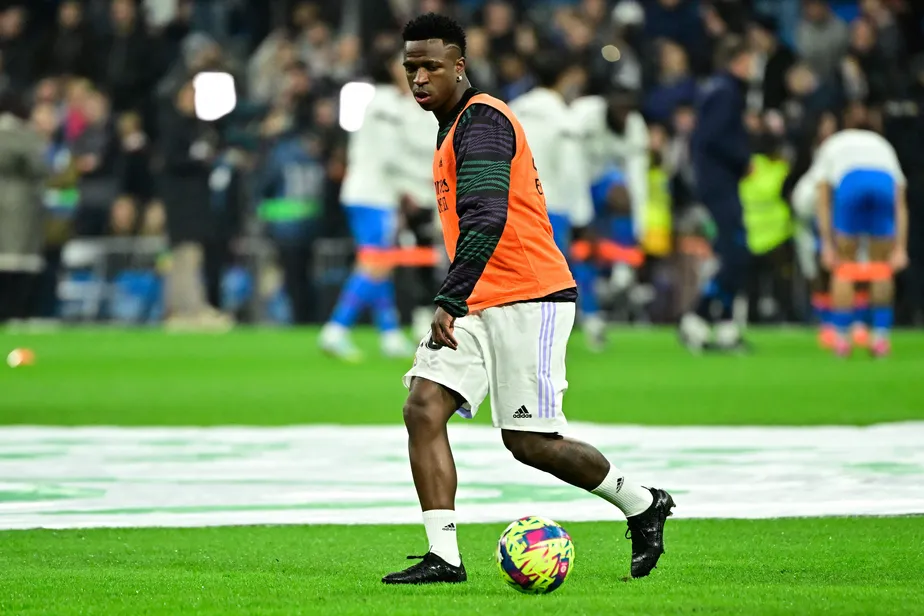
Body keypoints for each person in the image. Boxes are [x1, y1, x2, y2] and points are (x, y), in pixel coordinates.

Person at [383, 13, 675, 586]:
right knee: (422, 407)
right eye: (410, 67)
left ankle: (642, 503)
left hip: (529, 297)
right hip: (480, 299)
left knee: (530, 442)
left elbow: (489, 216)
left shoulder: (482, 120)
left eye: (430, 66)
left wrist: (448, 297)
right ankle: (444, 557)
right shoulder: (451, 125)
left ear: (459, 66)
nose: (418, 78)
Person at [318, 51, 417, 361]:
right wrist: (422, 182)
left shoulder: (387, 103)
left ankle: (389, 333)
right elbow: (390, 158)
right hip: (373, 195)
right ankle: (336, 328)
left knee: (380, 264)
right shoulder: (387, 105)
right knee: (374, 262)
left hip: (369, 193)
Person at [508, 54, 600, 350]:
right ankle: (547, 340)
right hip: (551, 207)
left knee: (519, 274)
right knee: (553, 277)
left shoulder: (515, 109)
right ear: (566, 77)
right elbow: (572, 170)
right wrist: (584, 216)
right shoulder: (564, 118)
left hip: (512, 205)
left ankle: (518, 337)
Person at [814, 105, 908, 357]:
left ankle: (843, 340)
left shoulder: (833, 144)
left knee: (844, 265)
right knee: (880, 266)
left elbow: (823, 198)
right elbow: (900, 203)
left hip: (851, 181)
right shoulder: (882, 144)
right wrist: (900, 247)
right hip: (882, 182)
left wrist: (827, 244)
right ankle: (880, 339)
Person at [679, 36, 754, 353]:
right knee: (737, 252)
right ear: (738, 60)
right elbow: (713, 138)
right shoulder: (727, 93)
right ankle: (696, 317)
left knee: (731, 252)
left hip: (713, 182)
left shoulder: (713, 89)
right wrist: (743, 158)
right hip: (719, 183)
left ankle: (723, 325)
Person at [571, 88, 651, 348]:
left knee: (620, 189)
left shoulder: (635, 126)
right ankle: (591, 315)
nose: (624, 116)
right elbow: (571, 166)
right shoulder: (583, 116)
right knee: (582, 255)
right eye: (619, 109)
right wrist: (581, 215)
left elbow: (637, 177)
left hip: (603, 187)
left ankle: (622, 269)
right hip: (573, 189)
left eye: (629, 110)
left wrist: (640, 226)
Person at [0, 93, 47, 322]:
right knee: (18, 265)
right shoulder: (22, 136)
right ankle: (17, 315)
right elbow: (39, 166)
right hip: (21, 208)